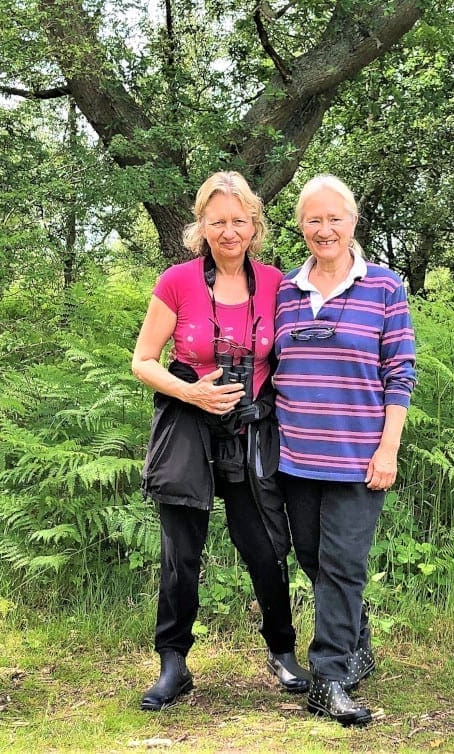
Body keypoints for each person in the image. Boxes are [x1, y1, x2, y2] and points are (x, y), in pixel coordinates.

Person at [131, 171, 310, 711]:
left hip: (252, 428)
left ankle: (282, 650)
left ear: (254, 225)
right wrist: (192, 393)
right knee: (180, 552)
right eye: (217, 222)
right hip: (188, 427)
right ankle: (173, 662)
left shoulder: (279, 282)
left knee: (265, 547)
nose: (229, 232)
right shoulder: (178, 281)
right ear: (201, 228)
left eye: (238, 221)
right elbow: (143, 361)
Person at [273, 174, 416, 725]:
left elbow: (400, 373)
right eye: (314, 219)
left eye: (335, 218)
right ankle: (357, 640)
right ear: (301, 226)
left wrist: (389, 449)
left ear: (353, 223)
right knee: (313, 559)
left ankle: (329, 677)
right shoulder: (284, 291)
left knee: (343, 564)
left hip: (359, 460)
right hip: (297, 458)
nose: (325, 229)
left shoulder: (384, 287)